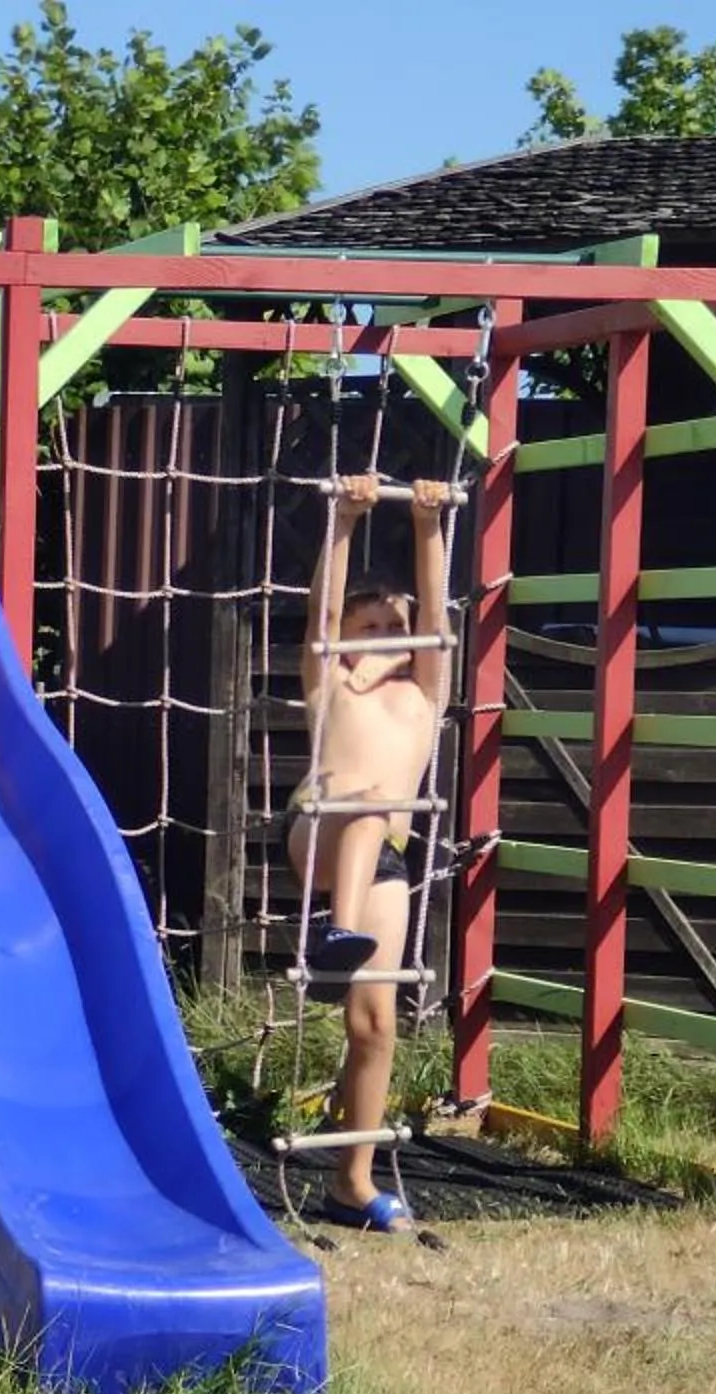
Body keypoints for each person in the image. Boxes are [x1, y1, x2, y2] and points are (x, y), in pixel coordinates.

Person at [288, 474, 454, 1233]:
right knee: (361, 809)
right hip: (318, 829)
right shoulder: (334, 684)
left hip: (383, 860)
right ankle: (332, 934)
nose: (389, 638)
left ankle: (351, 1182)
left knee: (374, 1024)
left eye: (398, 626)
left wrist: (427, 525)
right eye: (372, 628)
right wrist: (344, 521)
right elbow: (321, 617)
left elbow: (437, 615)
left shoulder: (424, 694)